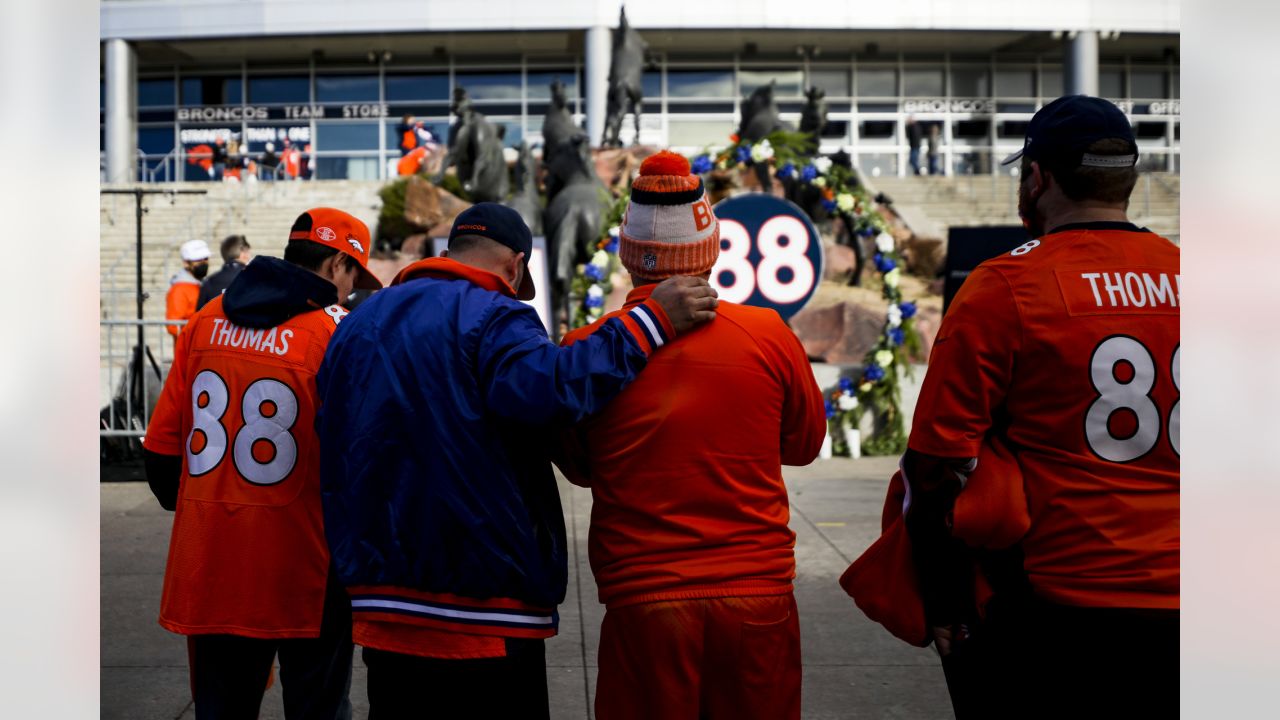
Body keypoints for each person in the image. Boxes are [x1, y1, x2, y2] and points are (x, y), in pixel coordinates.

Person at [314, 202, 719, 719]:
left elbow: (331, 425)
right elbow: (551, 391)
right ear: (515, 265)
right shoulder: (494, 313)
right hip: (481, 601)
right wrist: (649, 322)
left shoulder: (359, 321)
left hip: (381, 597)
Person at [902, 95, 1179, 718]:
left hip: (1061, 607)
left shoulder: (1006, 285)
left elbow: (935, 464)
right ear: (1128, 181)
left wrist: (943, 598)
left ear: (1037, 177)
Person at [558, 152, 826, 720]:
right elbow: (802, 446)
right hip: (756, 593)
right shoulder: (767, 334)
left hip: (645, 599)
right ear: (710, 246)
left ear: (629, 253)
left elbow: (582, 467)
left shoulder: (586, 348)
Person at [142, 207, 383, 720]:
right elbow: (363, 459)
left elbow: (161, 457)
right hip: (304, 566)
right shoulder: (334, 332)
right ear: (337, 264)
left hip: (210, 562)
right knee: (318, 709)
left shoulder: (205, 320)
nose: (351, 292)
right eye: (354, 278)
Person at [165, 239, 210, 337]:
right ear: (186, 263)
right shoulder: (179, 290)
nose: (203, 262)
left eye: (205, 258)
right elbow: (173, 326)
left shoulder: (203, 284)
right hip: (188, 348)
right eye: (198, 260)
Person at [197, 235, 252, 310]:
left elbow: (199, 314)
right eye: (248, 252)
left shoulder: (209, 281)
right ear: (243, 254)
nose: (249, 256)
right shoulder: (253, 278)